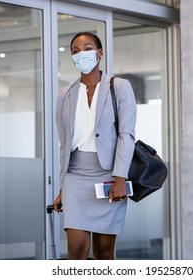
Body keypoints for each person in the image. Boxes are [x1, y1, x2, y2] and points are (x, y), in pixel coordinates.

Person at [53, 32, 137, 260]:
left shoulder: (119, 87)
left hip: (108, 176)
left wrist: (120, 177)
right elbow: (64, 144)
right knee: (77, 250)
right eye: (75, 51)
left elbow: (126, 134)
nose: (82, 54)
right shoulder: (66, 94)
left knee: (104, 252)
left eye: (87, 48)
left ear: (99, 53)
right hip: (76, 176)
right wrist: (63, 187)